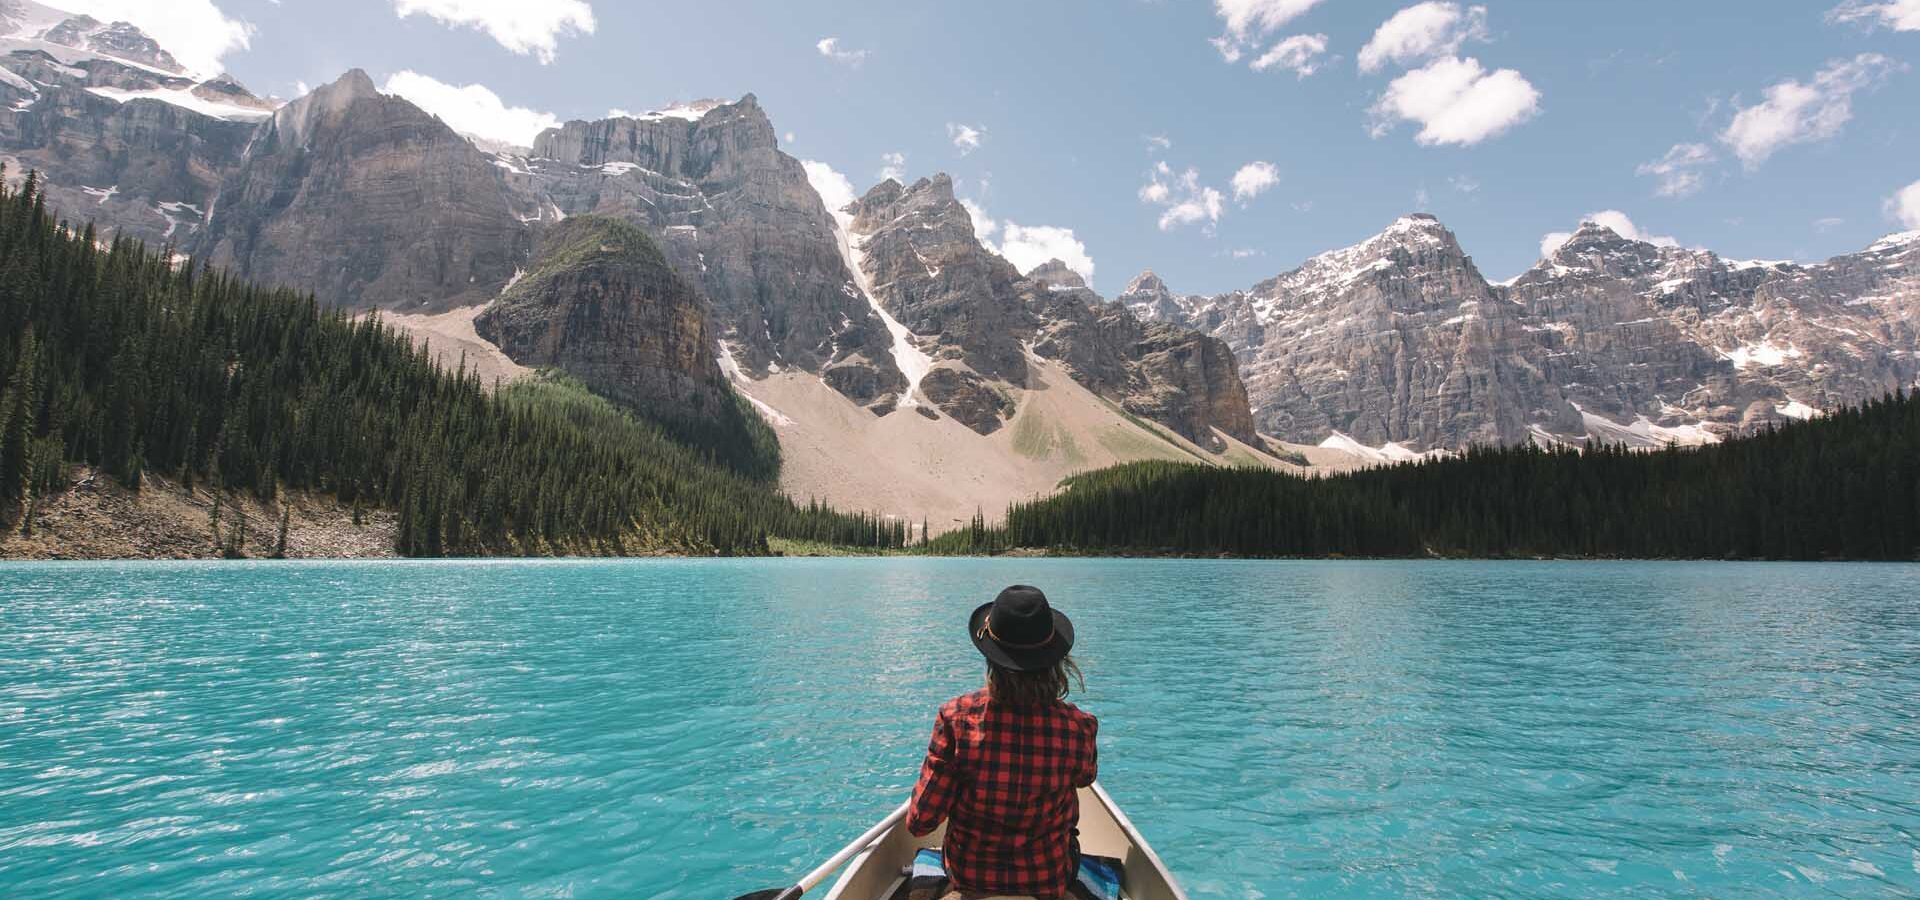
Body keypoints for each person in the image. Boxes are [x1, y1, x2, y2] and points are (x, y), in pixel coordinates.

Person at [905, 585, 1099, 900]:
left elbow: (920, 822)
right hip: (1048, 880)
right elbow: (1085, 777)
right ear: (1054, 661)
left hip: (970, 879)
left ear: (991, 659)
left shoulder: (955, 719)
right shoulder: (1078, 726)